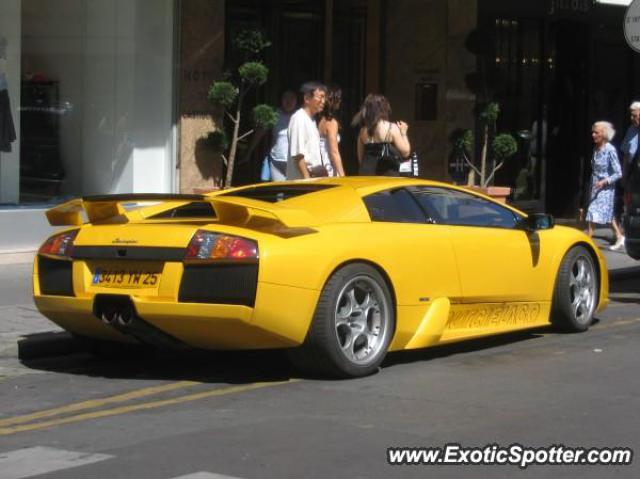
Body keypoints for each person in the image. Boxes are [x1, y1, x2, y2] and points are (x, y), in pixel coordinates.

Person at [586, 121, 624, 250]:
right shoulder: (595, 148)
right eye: (593, 132)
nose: (593, 135)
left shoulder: (610, 149)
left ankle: (588, 239)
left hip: (606, 188)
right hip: (595, 186)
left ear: (603, 134)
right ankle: (619, 236)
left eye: (596, 132)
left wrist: (604, 181)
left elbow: (619, 173)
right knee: (608, 215)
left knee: (592, 211)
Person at [353, 94, 410, 176]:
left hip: (366, 172)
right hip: (386, 174)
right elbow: (405, 152)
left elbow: (360, 158)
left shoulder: (363, 131)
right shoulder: (391, 128)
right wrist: (404, 133)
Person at [286, 81, 327, 180]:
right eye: (321, 97)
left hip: (313, 180)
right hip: (302, 184)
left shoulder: (312, 120)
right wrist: (307, 178)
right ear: (307, 98)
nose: (323, 101)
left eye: (324, 98)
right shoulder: (298, 118)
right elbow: (298, 154)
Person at [266, 90, 297, 181]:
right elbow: (261, 131)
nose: (289, 101)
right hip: (276, 162)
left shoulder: (299, 116)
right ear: (281, 100)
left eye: (292, 98)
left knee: (293, 192)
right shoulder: (274, 114)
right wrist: (249, 152)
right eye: (286, 98)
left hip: (294, 163)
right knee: (279, 193)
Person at [317, 84, 345, 176]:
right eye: (339, 98)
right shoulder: (331, 123)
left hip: (320, 167)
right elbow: (334, 152)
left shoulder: (319, 119)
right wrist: (342, 176)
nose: (340, 101)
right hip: (329, 169)